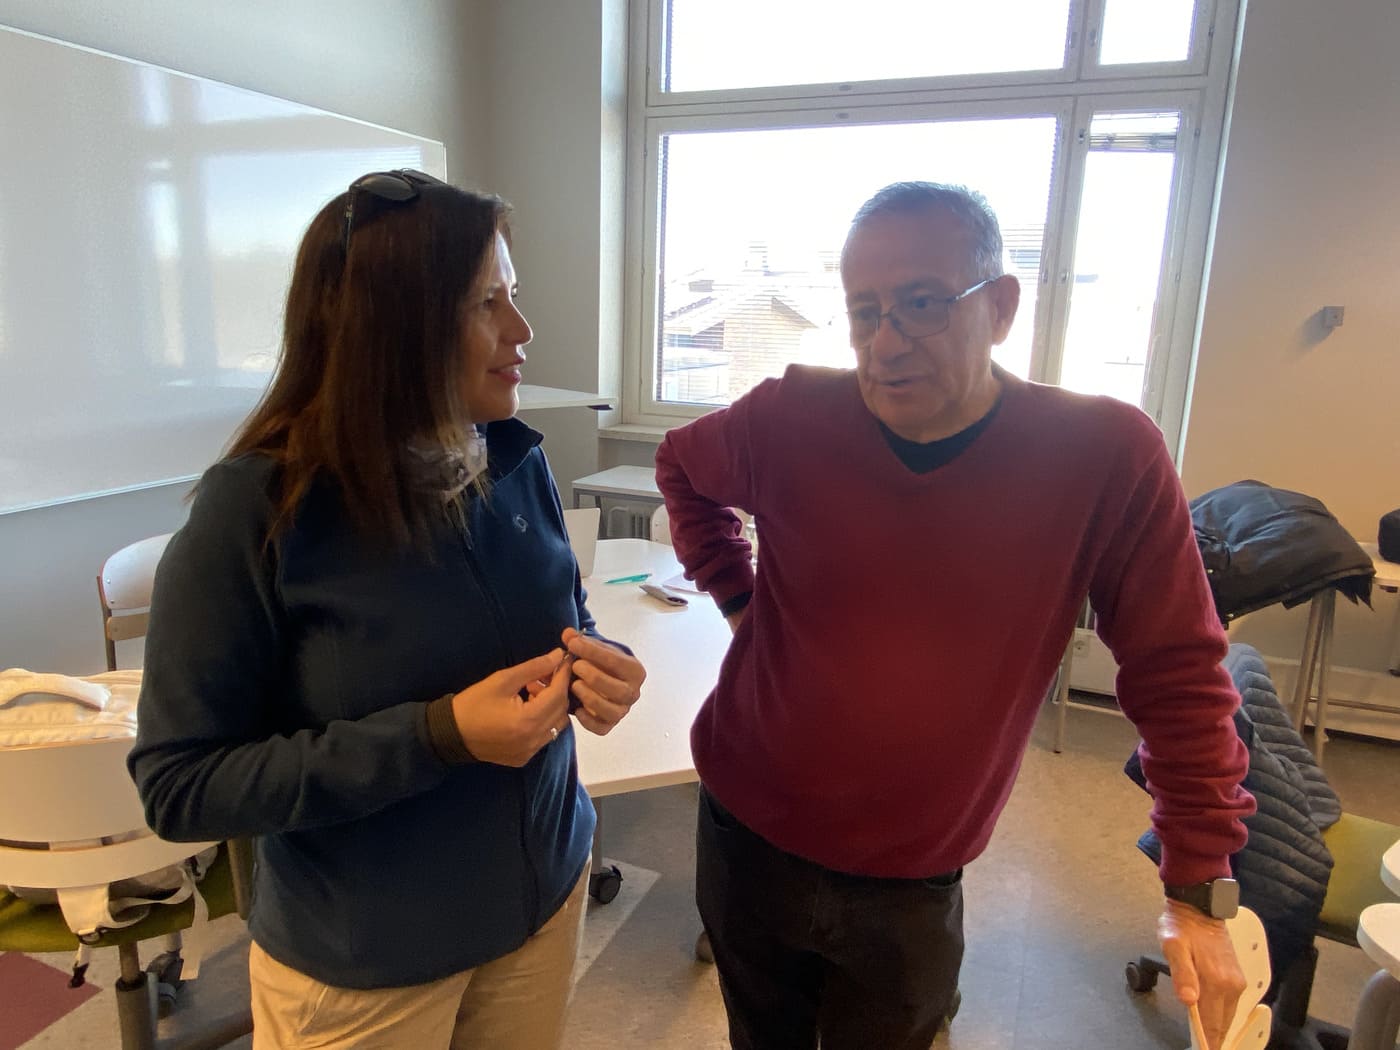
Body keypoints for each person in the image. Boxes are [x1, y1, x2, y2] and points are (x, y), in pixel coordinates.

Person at [654, 181, 1256, 1050]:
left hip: (912, 872)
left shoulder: (1102, 454)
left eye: (922, 304)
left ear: (1000, 307)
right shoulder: (792, 415)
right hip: (745, 829)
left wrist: (1198, 883)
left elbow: (1176, 668)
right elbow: (682, 468)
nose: (885, 344)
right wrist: (738, 596)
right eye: (865, 312)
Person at [129, 170, 646, 1050]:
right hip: (365, 964)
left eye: (514, 296)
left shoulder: (512, 460)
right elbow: (180, 787)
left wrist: (599, 664)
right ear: (393, 327)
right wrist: (437, 736)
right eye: (487, 304)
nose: (523, 331)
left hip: (543, 900)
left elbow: (565, 617)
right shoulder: (256, 511)